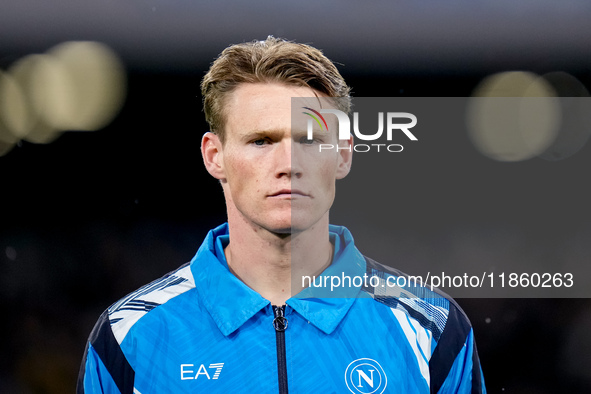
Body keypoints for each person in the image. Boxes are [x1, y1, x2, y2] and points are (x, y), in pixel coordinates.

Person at [77, 37, 486, 394]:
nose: (289, 163)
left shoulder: (431, 330)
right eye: (261, 141)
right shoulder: (130, 337)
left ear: (343, 155)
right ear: (214, 156)